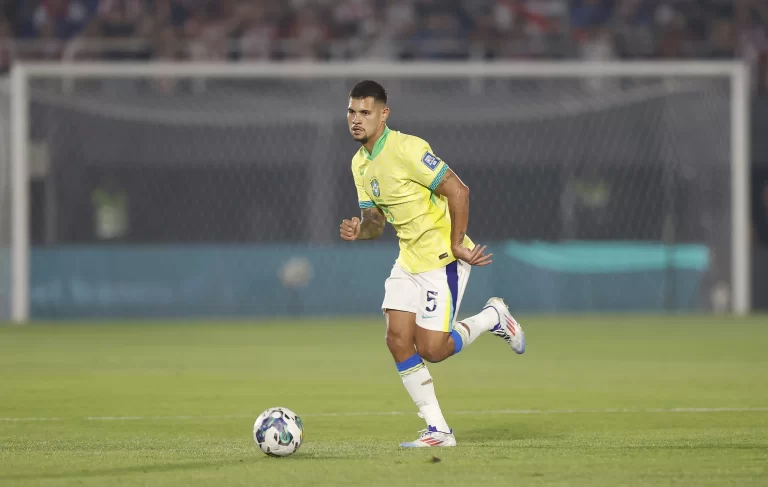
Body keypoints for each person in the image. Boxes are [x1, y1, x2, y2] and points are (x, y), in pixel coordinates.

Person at [339, 80, 526, 448]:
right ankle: (438, 430)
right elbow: (375, 223)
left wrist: (457, 243)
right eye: (351, 111)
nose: (356, 120)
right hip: (408, 260)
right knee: (396, 339)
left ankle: (493, 317)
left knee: (433, 350)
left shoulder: (408, 148)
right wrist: (358, 230)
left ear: (383, 114)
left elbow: (459, 190)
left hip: (442, 259)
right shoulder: (359, 164)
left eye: (365, 112)